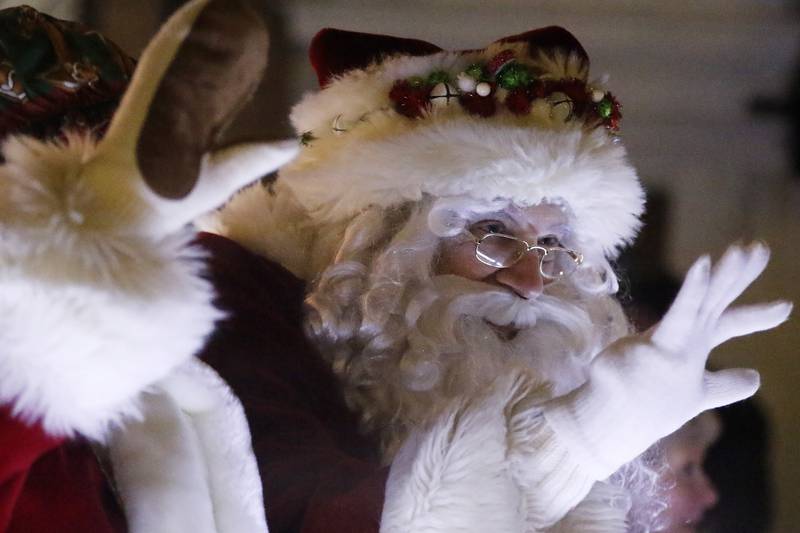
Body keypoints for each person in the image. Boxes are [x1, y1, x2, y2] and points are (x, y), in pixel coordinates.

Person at [0, 1, 791, 532]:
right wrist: (566, 448)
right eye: (491, 233)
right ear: (379, 233)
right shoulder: (238, 295)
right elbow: (305, 505)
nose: (530, 280)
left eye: (557, 250)